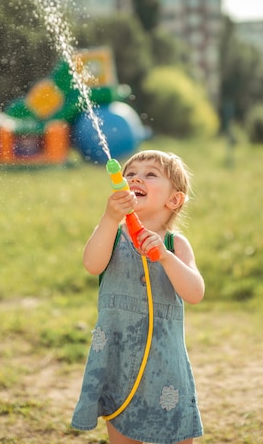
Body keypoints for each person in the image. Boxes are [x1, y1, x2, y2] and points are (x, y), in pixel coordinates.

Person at [71, 150, 205, 444]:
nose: (135, 178)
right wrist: (109, 218)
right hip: (117, 354)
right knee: (121, 428)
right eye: (130, 174)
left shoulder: (175, 244)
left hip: (164, 361)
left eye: (150, 175)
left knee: (175, 433)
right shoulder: (112, 234)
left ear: (174, 200)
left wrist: (166, 258)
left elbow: (195, 293)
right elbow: (92, 264)